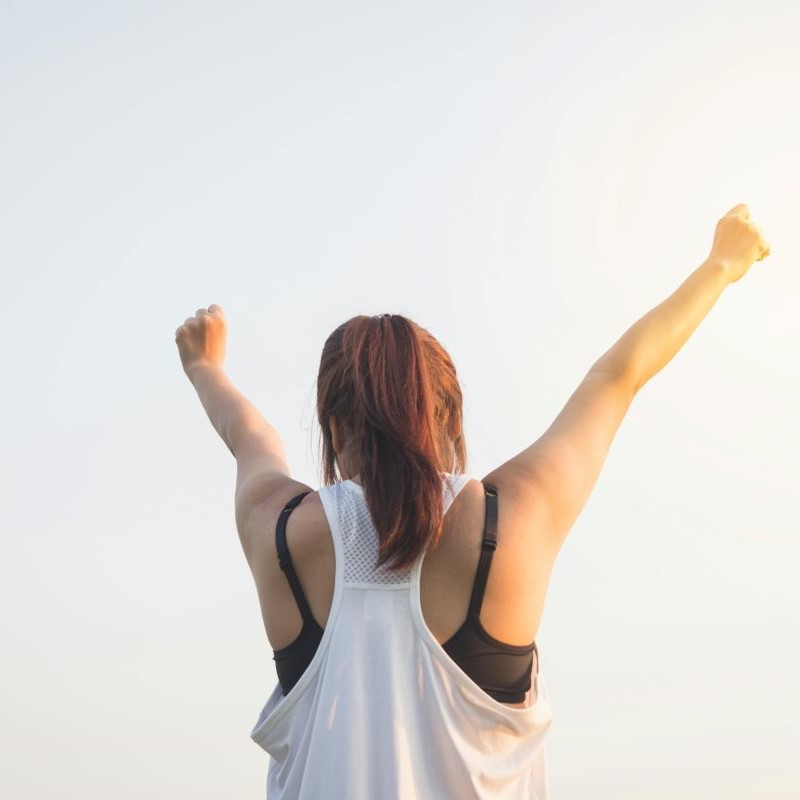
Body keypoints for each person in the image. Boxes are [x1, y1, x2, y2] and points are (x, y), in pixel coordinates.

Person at [175, 203, 771, 799]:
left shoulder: (277, 531)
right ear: (450, 418)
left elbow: (249, 436)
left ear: (331, 428)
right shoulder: (511, 522)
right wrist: (721, 264)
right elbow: (617, 377)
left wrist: (205, 366)